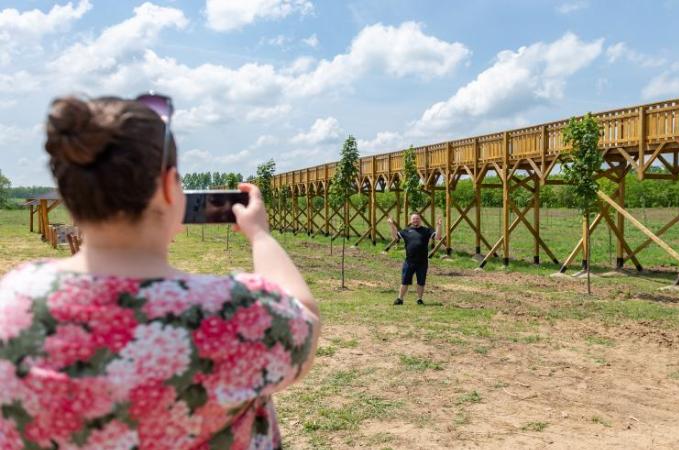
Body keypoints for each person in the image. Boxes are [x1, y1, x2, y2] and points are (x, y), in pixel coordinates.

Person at [0, 95, 320, 449]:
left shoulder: (12, 300)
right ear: (169, 188)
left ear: (68, 194)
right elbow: (303, 315)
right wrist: (260, 237)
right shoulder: (232, 312)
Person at [387, 213, 441, 305]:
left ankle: (419, 299)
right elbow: (395, 237)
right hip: (409, 261)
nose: (416, 220)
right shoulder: (406, 231)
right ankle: (400, 299)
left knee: (421, 282)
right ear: (411, 221)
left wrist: (439, 226)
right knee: (405, 281)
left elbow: (437, 237)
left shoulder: (426, 230)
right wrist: (391, 225)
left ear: (420, 220)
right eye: (414, 219)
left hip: (422, 262)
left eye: (417, 218)